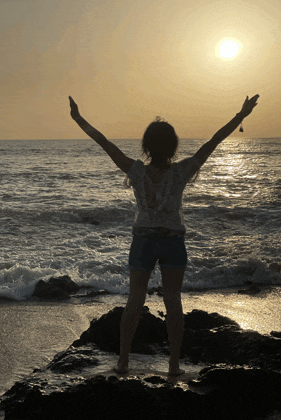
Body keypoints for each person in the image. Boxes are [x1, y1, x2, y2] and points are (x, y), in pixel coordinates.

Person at [69, 94, 259, 376]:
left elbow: (105, 143)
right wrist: (240, 116)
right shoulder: (182, 171)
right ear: (173, 146)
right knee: (173, 301)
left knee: (134, 301)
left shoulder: (135, 170)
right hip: (173, 242)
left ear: (146, 146)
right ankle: (173, 365)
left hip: (143, 240)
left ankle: (123, 361)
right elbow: (213, 142)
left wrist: (78, 119)